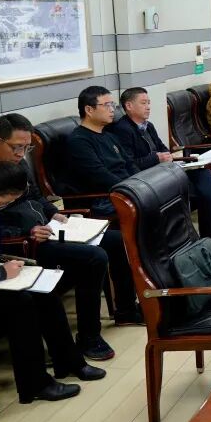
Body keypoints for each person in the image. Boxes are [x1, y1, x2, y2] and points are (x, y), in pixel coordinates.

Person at [0, 114, 118, 359]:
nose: (21, 154)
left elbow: (36, 196)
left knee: (114, 239)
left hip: (45, 229)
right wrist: (26, 233)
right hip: (23, 244)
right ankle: (89, 337)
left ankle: (126, 311)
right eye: (16, 147)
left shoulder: (18, 162)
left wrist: (54, 214)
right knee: (93, 258)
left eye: (26, 148)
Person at [0, 156, 105, 403]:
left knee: (44, 288)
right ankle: (34, 385)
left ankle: (69, 362)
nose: (0, 207)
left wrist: (6, 263)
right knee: (21, 303)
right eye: (1, 202)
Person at [107, 87, 211, 245]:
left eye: (149, 103)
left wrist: (167, 155)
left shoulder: (148, 126)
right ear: (129, 106)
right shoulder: (123, 130)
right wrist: (156, 158)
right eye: (143, 103)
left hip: (162, 170)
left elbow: (163, 148)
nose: (148, 107)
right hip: (148, 177)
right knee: (202, 191)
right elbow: (130, 163)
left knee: (202, 174)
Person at [65, 86, 145, 323]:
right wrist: (133, 190)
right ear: (89, 110)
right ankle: (127, 305)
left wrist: (142, 184)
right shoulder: (79, 141)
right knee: (147, 219)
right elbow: (100, 176)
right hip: (99, 201)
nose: (113, 110)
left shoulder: (109, 135)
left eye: (113, 105)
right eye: (107, 105)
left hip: (122, 191)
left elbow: (129, 164)